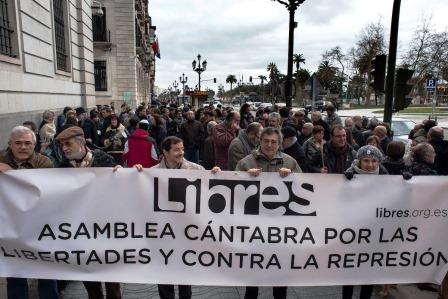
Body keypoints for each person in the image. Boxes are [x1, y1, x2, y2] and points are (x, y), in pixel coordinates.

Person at [132, 136, 220, 299]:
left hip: (187, 233)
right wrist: (134, 173)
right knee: (164, 274)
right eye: (177, 149)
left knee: (185, 275)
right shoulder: (151, 173)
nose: (182, 152)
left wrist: (217, 175)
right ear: (165, 152)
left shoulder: (197, 170)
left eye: (182, 148)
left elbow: (212, 192)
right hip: (162, 234)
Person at [56, 126, 121, 299]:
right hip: (80, 232)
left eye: (68, 144)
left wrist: (124, 173)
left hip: (106, 231)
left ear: (81, 142)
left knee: (112, 282)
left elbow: (122, 188)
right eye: (61, 145)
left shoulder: (104, 159)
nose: (64, 148)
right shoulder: (62, 167)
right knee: (90, 281)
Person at [236, 127, 301, 299]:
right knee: (253, 279)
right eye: (266, 141)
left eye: (273, 142)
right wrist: (244, 178)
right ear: (259, 141)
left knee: (280, 278)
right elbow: (232, 194)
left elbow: (304, 192)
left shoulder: (290, 163)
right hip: (254, 231)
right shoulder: (246, 163)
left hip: (281, 231)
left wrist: (293, 177)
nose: (269, 145)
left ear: (279, 144)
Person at [0, 126, 59, 299]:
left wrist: (11, 174)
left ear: (34, 144)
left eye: (27, 143)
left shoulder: (44, 163)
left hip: (39, 226)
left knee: (47, 273)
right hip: (10, 228)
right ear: (9, 144)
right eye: (18, 143)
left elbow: (42, 191)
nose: (23, 147)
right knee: (15, 274)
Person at [343, 145, 388, 299]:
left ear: (379, 162)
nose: (370, 165)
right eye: (366, 160)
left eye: (374, 161)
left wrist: (405, 183)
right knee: (349, 271)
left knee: (369, 271)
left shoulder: (386, 177)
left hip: (374, 234)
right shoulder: (348, 176)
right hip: (353, 234)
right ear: (359, 161)